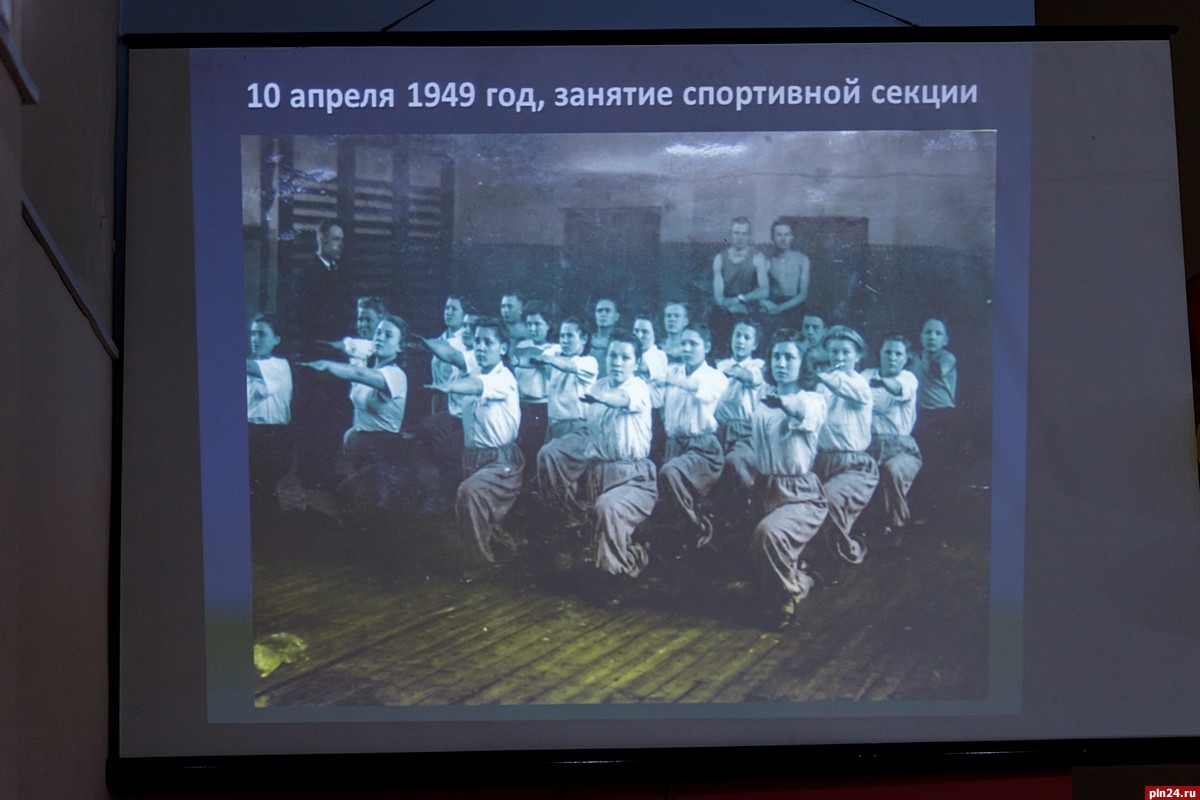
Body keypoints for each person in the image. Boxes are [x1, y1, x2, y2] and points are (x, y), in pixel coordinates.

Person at [428, 317, 523, 564]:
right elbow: (457, 361)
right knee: (471, 504)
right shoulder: (474, 371)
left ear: (503, 348)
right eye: (477, 341)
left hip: (501, 461)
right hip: (471, 456)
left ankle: (481, 564)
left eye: (488, 342)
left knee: (469, 492)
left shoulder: (505, 379)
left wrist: (450, 387)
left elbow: (477, 386)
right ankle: (498, 546)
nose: (480, 347)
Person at [749, 327, 828, 625]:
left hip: (799, 493)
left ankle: (788, 599)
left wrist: (784, 402)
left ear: (802, 362)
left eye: (789, 358)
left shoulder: (812, 399)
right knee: (758, 558)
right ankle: (802, 580)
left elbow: (799, 410)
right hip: (764, 487)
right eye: (776, 357)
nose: (781, 363)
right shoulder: (763, 398)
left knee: (769, 534)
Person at [579, 331, 658, 582]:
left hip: (633, 475)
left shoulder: (638, 387)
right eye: (613, 355)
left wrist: (601, 398)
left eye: (625, 357)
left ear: (636, 362)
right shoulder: (599, 385)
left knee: (608, 508)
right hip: (599, 471)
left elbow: (622, 399)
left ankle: (612, 579)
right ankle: (623, 558)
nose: (617, 362)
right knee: (599, 526)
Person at [656, 323, 728, 547]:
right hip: (673, 444)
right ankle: (684, 539)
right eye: (683, 343)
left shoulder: (715, 377)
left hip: (702, 448)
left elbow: (696, 386)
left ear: (707, 346)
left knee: (671, 472)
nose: (686, 348)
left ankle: (698, 528)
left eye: (693, 344)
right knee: (667, 494)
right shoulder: (673, 371)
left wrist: (669, 380)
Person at [812, 325, 878, 566]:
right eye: (834, 351)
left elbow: (844, 388)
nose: (839, 357)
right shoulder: (822, 387)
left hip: (854, 464)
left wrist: (826, 378)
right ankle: (823, 556)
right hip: (822, 461)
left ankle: (842, 556)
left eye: (846, 352)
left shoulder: (860, 385)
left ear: (858, 356)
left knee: (829, 500)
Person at [534, 317, 599, 523]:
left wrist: (548, 358)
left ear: (584, 339)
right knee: (557, 479)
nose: (564, 340)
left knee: (550, 457)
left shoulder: (588, 362)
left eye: (570, 336)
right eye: (562, 335)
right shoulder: (556, 353)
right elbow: (530, 354)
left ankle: (575, 516)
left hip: (579, 427)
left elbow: (567, 365)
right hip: (554, 426)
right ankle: (562, 522)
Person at [861, 334, 922, 535]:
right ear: (880, 353)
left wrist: (882, 382)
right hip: (869, 444)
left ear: (905, 358)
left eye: (898, 354)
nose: (892, 357)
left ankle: (898, 526)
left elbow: (898, 389)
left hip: (901, 448)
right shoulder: (866, 375)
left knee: (892, 470)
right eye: (888, 352)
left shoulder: (908, 378)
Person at [246, 313, 293, 523]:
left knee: (263, 491)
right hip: (252, 432)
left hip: (272, 437)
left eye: (262, 334)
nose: (255, 339)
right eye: (253, 334)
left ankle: (270, 535)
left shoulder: (279, 365)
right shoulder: (252, 365)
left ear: (277, 339)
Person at [715, 320, 766, 491]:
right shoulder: (719, 364)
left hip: (745, 430)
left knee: (736, 465)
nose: (740, 341)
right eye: (737, 335)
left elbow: (751, 377)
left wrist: (734, 371)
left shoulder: (758, 366)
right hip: (719, 428)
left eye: (747, 337)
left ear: (755, 344)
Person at [511, 303, 557, 476]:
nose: (532, 328)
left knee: (537, 450)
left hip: (542, 407)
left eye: (537, 324)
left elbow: (538, 361)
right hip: (521, 405)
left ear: (548, 325)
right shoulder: (521, 345)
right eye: (529, 324)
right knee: (520, 449)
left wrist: (521, 360)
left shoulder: (555, 349)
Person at [711, 216, 769, 352]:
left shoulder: (757, 258)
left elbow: (764, 291)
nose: (740, 237)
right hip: (725, 312)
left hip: (748, 310)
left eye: (744, 233)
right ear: (731, 234)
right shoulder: (720, 258)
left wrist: (741, 299)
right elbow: (719, 299)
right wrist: (733, 304)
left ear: (749, 235)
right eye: (737, 233)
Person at [758, 219, 811, 326]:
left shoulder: (802, 259)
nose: (783, 239)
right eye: (779, 235)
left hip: (795, 306)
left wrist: (780, 308)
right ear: (772, 238)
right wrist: (763, 303)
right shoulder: (768, 261)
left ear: (792, 237)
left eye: (786, 235)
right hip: (774, 305)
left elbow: (803, 294)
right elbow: (758, 289)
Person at [323, 296, 387, 367]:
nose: (363, 324)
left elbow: (348, 345)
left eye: (368, 320)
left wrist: (328, 346)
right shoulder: (356, 346)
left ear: (380, 320)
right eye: (360, 319)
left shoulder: (380, 347)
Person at [588, 297, 620, 377]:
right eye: (599, 311)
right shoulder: (585, 341)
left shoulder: (620, 343)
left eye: (607, 311)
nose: (603, 314)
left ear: (616, 316)